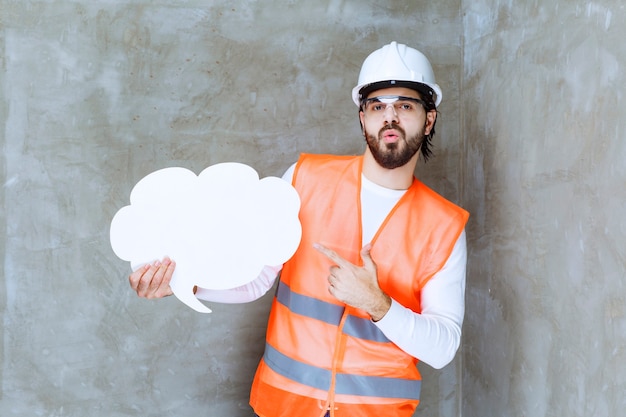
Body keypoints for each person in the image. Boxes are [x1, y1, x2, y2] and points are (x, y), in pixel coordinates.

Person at [129, 41, 469, 417]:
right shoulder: (303, 180)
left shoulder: (444, 226)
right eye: (377, 106)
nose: (390, 118)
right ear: (362, 118)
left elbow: (443, 347)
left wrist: (378, 304)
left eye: (405, 105)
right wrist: (183, 281)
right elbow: (256, 279)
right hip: (284, 406)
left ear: (429, 118)